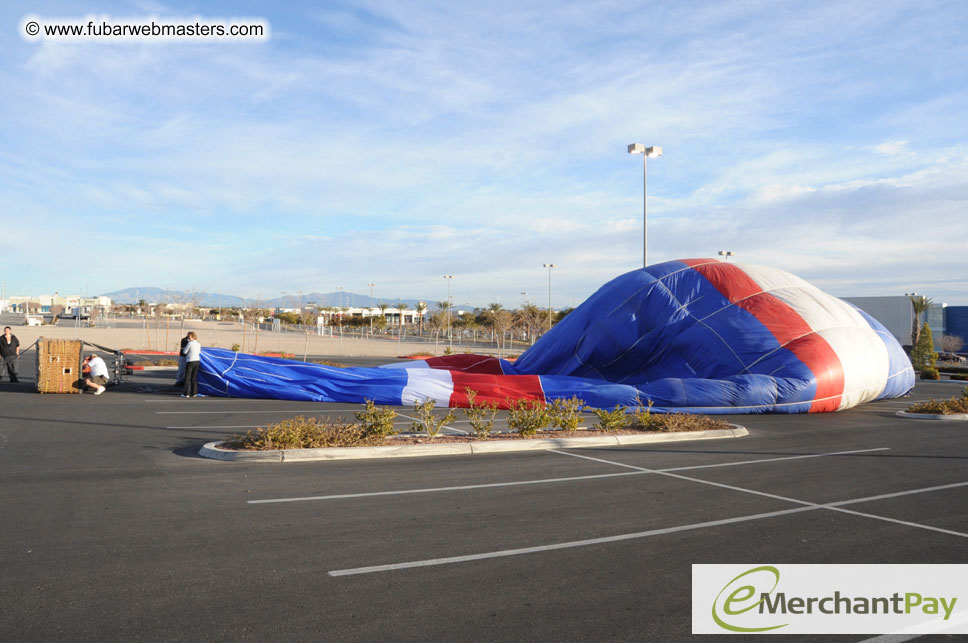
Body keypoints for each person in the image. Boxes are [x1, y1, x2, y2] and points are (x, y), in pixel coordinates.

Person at [182, 332, 201, 398]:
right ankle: (194, 393)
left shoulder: (189, 343)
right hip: (197, 361)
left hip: (190, 361)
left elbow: (184, 351)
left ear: (192, 337)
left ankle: (186, 393)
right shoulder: (198, 344)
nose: (188, 338)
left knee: (187, 377)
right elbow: (199, 352)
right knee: (194, 377)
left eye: (189, 336)